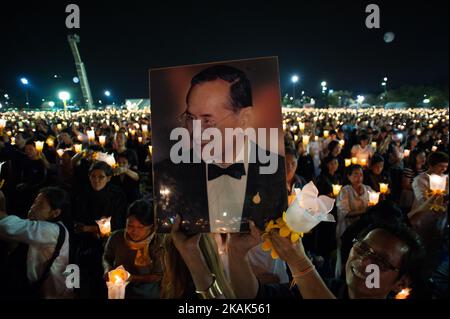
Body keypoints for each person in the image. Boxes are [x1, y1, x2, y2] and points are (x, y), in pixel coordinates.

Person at [154, 65, 287, 233]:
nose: (195, 132)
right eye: (191, 118)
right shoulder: (168, 172)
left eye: (207, 120)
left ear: (245, 118)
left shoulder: (277, 171)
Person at [227, 219, 426, 299]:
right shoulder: (326, 287)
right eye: (362, 248)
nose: (365, 261)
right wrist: (236, 252)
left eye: (380, 261)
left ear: (401, 283)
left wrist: (299, 263)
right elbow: (255, 298)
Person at [0, 187, 71, 299]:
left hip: (51, 293)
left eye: (40, 205)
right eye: (34, 202)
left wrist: (2, 201)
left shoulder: (51, 231)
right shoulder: (40, 224)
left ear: (55, 213)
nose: (33, 207)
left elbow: (6, 227)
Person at [72, 161, 127, 298]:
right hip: (85, 245)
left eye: (101, 177)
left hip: (108, 246)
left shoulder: (117, 195)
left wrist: (90, 228)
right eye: (93, 176)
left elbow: (119, 222)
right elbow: (76, 220)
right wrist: (91, 230)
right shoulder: (82, 193)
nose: (96, 180)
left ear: (108, 178)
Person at [160, 215, 235, 299]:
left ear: (170, 256)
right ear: (211, 249)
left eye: (162, 249)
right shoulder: (228, 287)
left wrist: (190, 251)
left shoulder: (178, 294)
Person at [103, 200, 163, 299]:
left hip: (147, 294)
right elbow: (107, 257)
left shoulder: (158, 244)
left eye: (141, 227)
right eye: (130, 225)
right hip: (119, 291)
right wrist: (107, 269)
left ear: (151, 226)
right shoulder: (116, 237)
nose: (135, 231)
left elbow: (159, 275)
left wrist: (132, 278)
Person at [335, 165, 374, 278]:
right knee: (346, 256)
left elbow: (375, 201)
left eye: (361, 174)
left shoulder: (368, 189)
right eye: (355, 174)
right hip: (347, 229)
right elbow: (345, 213)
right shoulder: (345, 191)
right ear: (348, 176)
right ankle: (341, 279)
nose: (359, 177)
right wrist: (365, 211)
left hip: (364, 230)